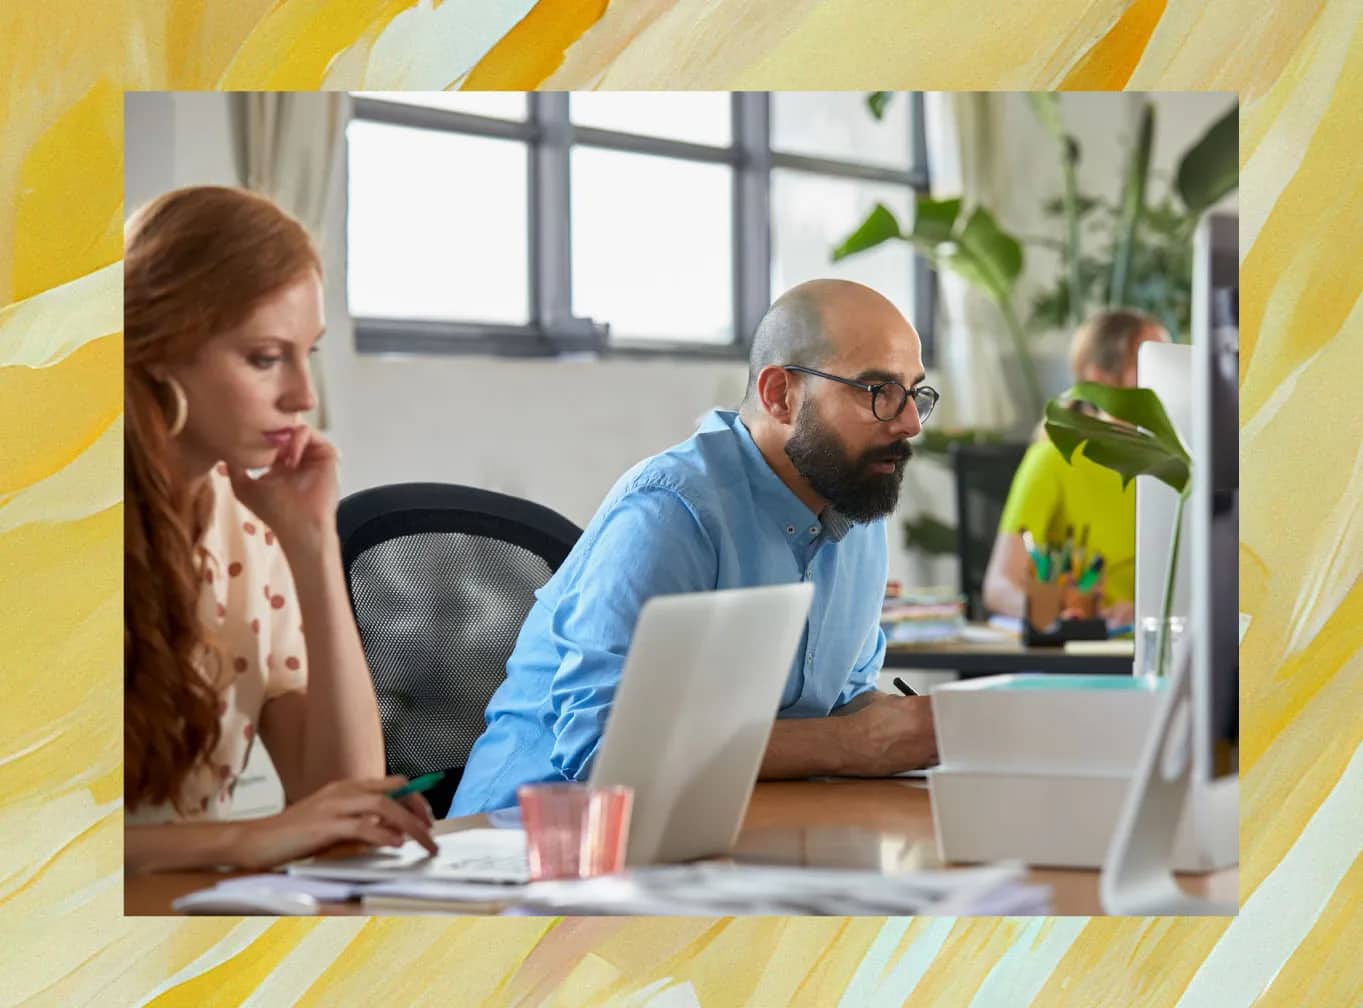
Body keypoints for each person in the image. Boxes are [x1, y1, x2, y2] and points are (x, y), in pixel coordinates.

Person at [452, 279, 941, 816]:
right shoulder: (671, 509)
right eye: (877, 392)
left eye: (916, 393)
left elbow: (843, 702)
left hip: (720, 832)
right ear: (781, 395)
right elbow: (604, 748)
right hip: (529, 849)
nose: (910, 423)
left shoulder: (855, 507)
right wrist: (854, 745)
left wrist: (934, 729)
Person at [124, 186, 436, 873]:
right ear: (158, 349)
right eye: (265, 358)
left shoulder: (251, 527)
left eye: (308, 354)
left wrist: (313, 542)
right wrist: (243, 838)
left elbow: (339, 799)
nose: (304, 397)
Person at [982, 308, 1170, 628]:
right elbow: (999, 587)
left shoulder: (1173, 463)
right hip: (1088, 653)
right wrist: (1060, 611)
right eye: (1149, 364)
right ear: (1099, 378)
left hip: (1157, 648)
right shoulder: (1053, 458)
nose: (1165, 377)